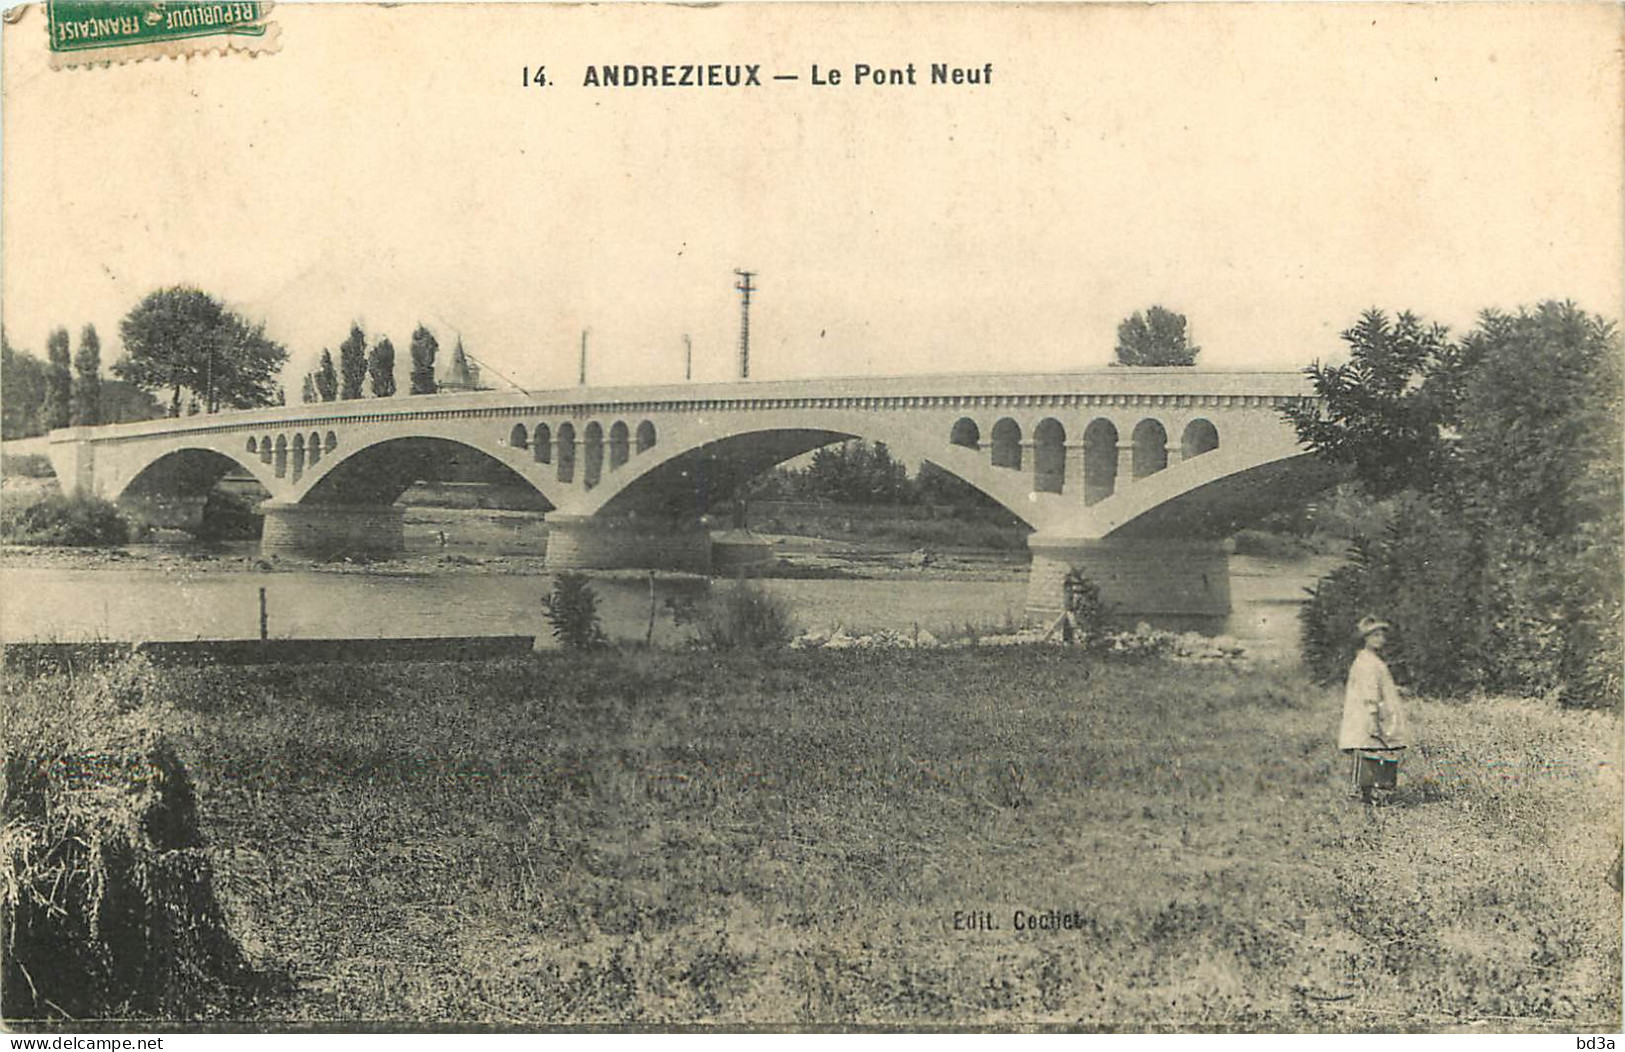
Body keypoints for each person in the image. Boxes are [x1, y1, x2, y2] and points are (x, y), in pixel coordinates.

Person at [1338, 615, 1407, 803]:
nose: (1380, 639)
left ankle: (1370, 795)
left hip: (1371, 714)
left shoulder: (1371, 661)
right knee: (1372, 753)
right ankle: (1370, 795)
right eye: (1375, 635)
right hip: (1369, 716)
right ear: (1365, 638)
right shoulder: (1367, 663)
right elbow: (1370, 694)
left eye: (1382, 635)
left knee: (1375, 752)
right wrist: (1373, 719)